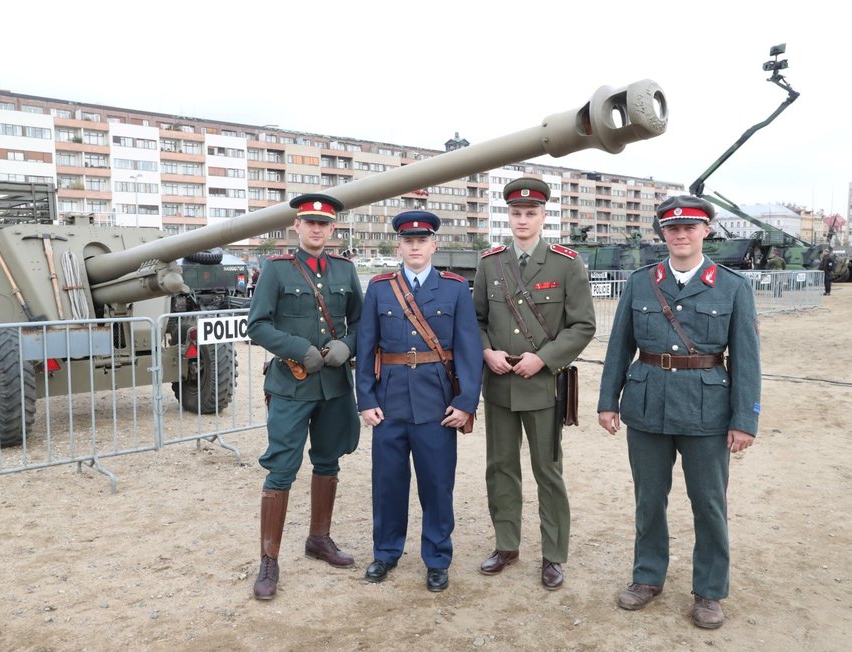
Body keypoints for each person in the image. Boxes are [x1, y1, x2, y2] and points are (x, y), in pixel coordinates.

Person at [597, 195, 761, 629]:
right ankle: (647, 577)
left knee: (708, 504)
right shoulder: (640, 282)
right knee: (648, 500)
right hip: (647, 406)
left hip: (708, 411)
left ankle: (709, 591)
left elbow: (746, 358)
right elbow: (620, 347)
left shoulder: (732, 286)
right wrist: (606, 401)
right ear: (663, 234)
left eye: (690, 227)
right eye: (672, 229)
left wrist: (745, 419)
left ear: (706, 231)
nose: (681, 235)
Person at [473, 178, 596, 590]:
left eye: (531, 213)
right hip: (500, 386)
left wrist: (542, 359)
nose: (522, 220)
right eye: (516, 213)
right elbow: (476, 322)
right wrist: (486, 351)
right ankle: (506, 544)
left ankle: (553, 555)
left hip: (542, 386)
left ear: (544, 217)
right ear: (507, 216)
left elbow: (582, 326)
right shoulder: (490, 263)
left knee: (548, 471)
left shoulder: (566, 263)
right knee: (500, 468)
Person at [356, 211, 483, 592]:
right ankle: (386, 552)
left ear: (433, 245)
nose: (414, 246)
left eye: (421, 240)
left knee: (437, 484)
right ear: (399, 244)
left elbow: (469, 349)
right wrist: (365, 398)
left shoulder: (455, 288)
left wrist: (466, 402)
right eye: (408, 240)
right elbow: (366, 347)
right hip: (389, 403)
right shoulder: (380, 288)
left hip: (436, 404)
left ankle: (437, 557)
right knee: (388, 484)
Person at [246, 193, 364, 601]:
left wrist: (348, 346)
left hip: (333, 387)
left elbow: (360, 323)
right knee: (281, 469)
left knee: (328, 461)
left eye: (324, 223)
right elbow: (257, 325)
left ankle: (319, 539)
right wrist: (298, 348)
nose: (316, 229)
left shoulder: (345, 271)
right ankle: (269, 561)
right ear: (296, 226)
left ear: (332, 230)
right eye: (309, 222)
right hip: (291, 386)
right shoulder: (276, 270)